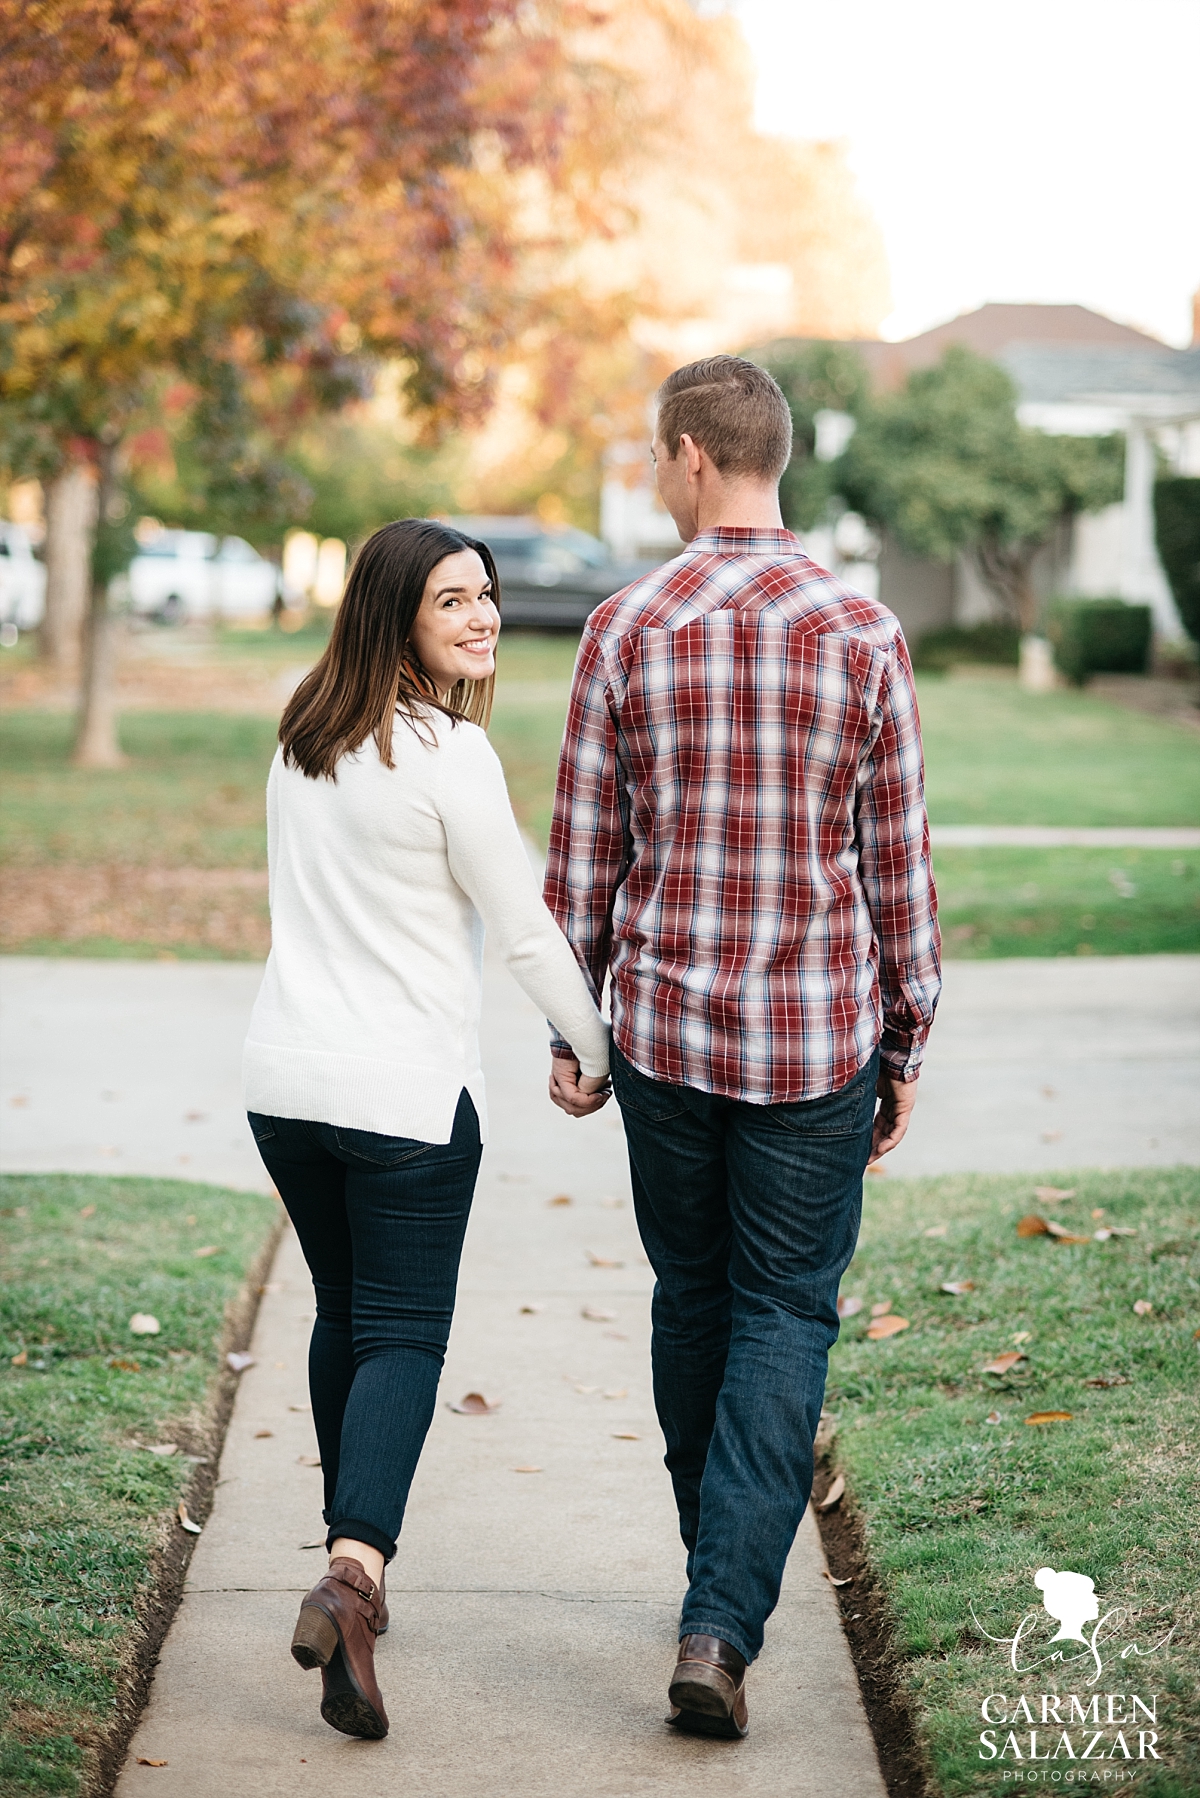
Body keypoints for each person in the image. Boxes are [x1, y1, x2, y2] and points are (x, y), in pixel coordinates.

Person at [543, 356, 940, 1739]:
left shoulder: (626, 626)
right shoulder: (863, 630)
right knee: (785, 1314)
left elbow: (584, 857)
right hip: (814, 1038)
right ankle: (722, 1620)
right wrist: (906, 1035)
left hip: (661, 1032)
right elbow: (897, 861)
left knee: (693, 1298)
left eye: (659, 458)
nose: (656, 478)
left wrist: (573, 1027)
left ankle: (713, 1580)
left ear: (696, 455)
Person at [243, 518, 610, 1742]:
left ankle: (351, 1565)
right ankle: (352, 1575)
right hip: (403, 1100)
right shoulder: (447, 752)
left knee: (346, 1314)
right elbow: (521, 930)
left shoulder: (305, 729)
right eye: (452, 599)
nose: (483, 616)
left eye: (488, 596)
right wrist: (596, 1045)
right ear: (395, 612)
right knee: (402, 1331)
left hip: (288, 1087)